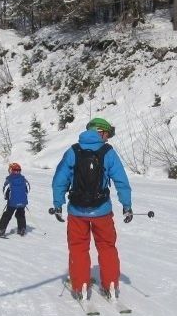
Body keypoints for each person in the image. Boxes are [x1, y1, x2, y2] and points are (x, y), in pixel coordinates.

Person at [51, 117, 133, 300]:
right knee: (107, 247)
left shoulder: (73, 151)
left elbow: (59, 180)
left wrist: (58, 204)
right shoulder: (108, 152)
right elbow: (121, 180)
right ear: (100, 132)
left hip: (77, 211)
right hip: (102, 210)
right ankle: (111, 285)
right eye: (107, 134)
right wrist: (126, 205)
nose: (107, 138)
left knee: (78, 248)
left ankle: (80, 286)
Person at [0, 162, 31, 237]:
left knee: (7, 215)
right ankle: (22, 229)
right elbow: (27, 190)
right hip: (22, 201)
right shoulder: (24, 179)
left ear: (10, 170)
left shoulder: (9, 179)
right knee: (20, 214)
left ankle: (0, 230)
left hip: (12, 202)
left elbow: (5, 189)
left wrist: (6, 197)